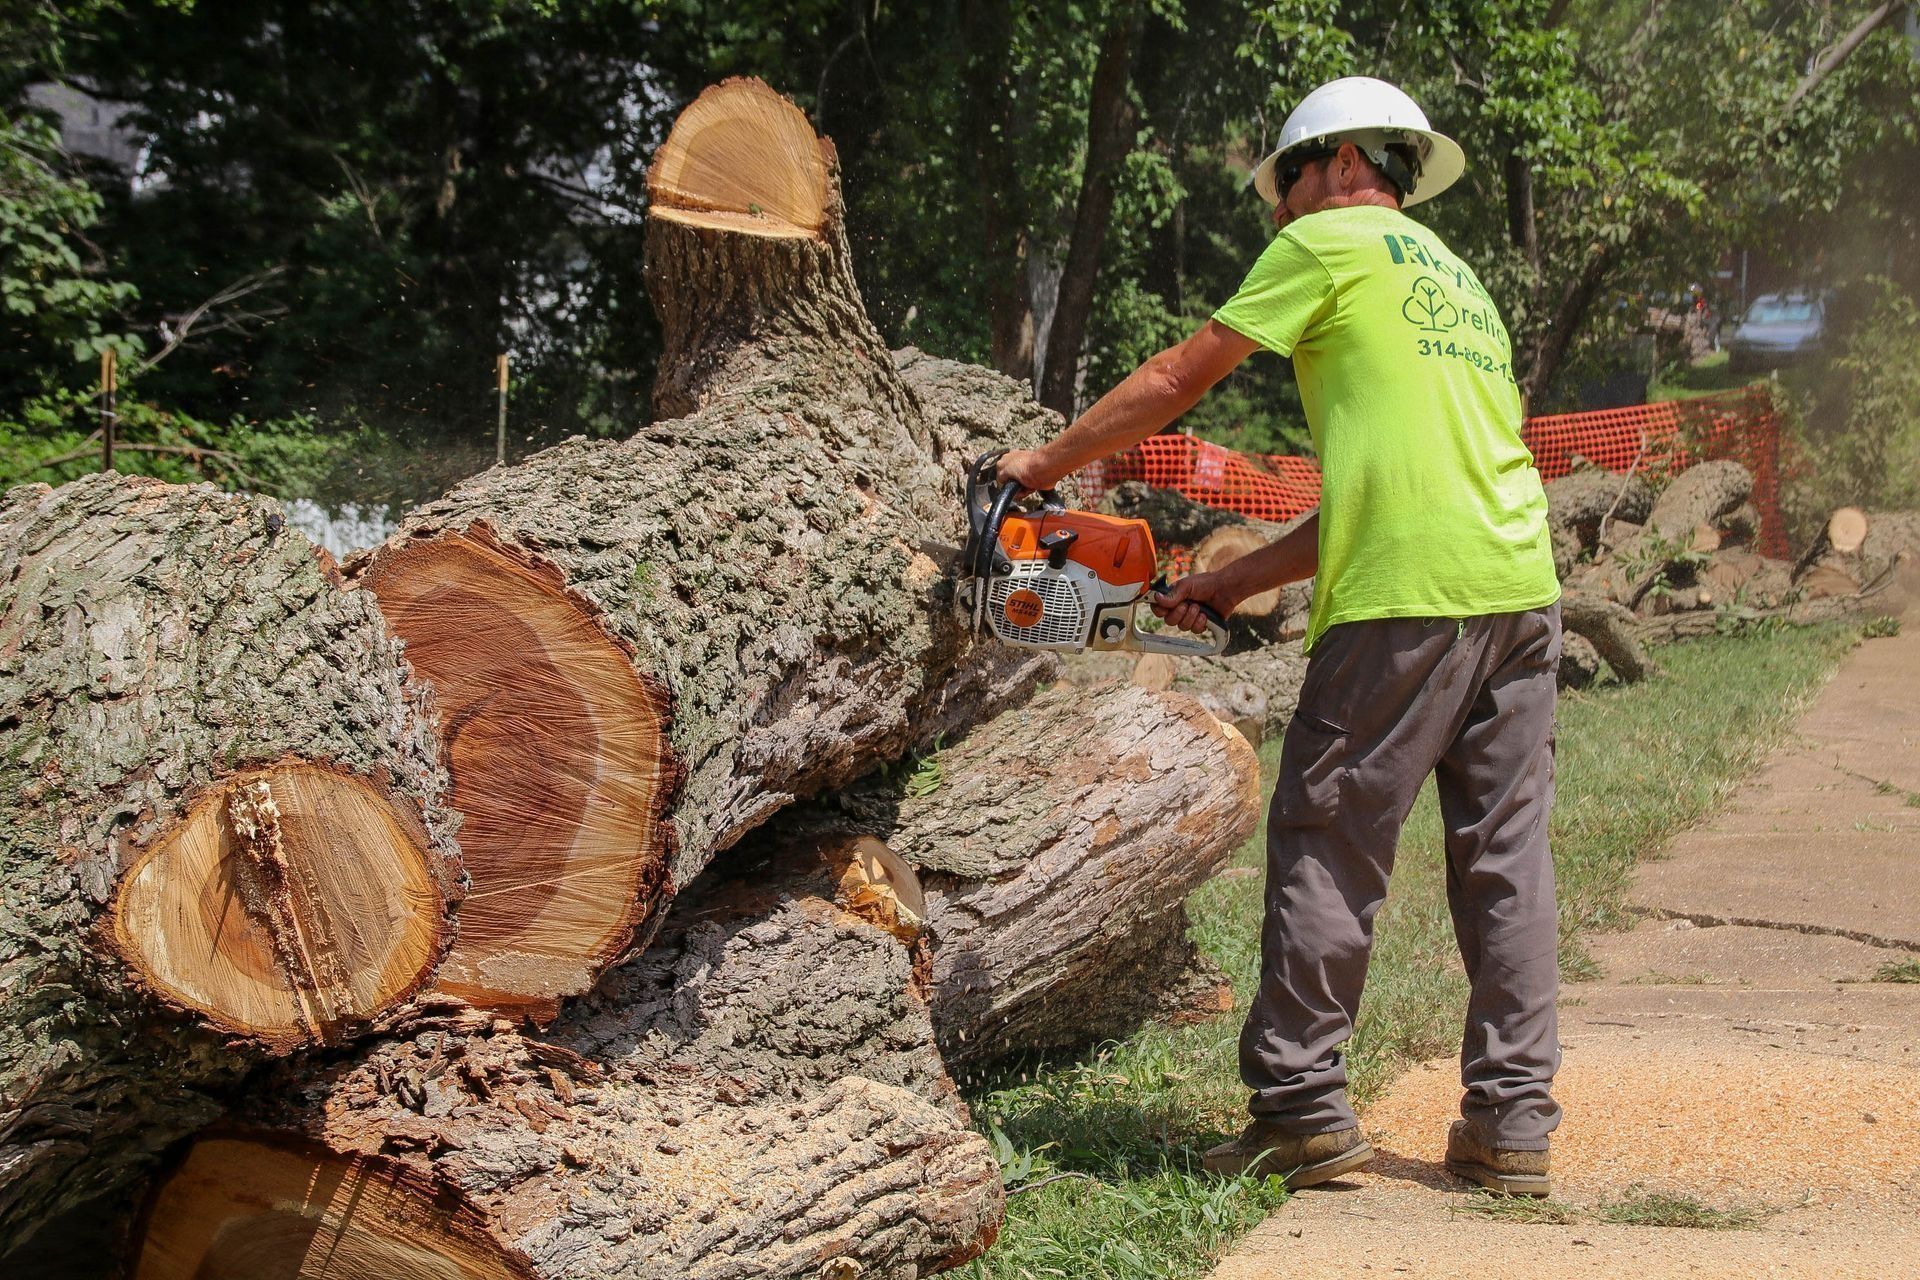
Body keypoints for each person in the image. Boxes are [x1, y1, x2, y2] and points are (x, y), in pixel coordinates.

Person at [996, 75, 1563, 1197]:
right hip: (1520, 588)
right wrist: (1239, 575)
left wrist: (1040, 468)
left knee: (1326, 829)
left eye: (1283, 190)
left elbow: (1177, 377)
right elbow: (1398, 481)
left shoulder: (1330, 241)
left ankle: (1300, 1108)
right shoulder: (1460, 282)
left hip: (1407, 597)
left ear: (1337, 165)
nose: (1281, 217)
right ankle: (1512, 1125)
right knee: (1505, 859)